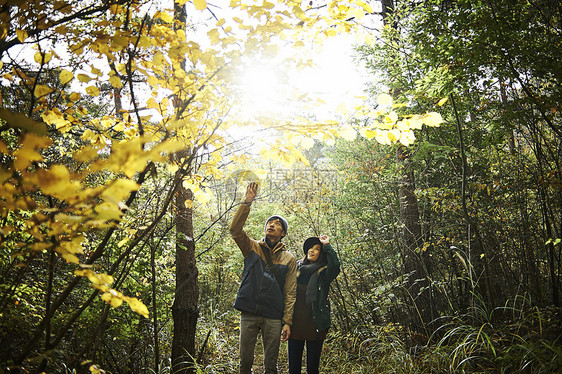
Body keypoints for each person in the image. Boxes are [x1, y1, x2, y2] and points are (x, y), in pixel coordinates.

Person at [230, 181, 297, 374]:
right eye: (270, 222)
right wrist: (247, 203)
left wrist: (287, 321)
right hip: (249, 311)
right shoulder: (252, 247)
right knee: (244, 362)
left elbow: (290, 292)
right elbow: (234, 230)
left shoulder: (289, 259)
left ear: (283, 233)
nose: (272, 225)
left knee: (270, 365)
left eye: (277, 224)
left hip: (273, 316)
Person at [288, 234, 340, 374]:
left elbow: (335, 266)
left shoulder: (324, 273)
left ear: (321, 254)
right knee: (293, 368)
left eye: (316, 249)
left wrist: (327, 246)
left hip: (315, 323)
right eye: (310, 248)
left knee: (312, 368)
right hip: (295, 323)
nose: (311, 250)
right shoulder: (295, 268)